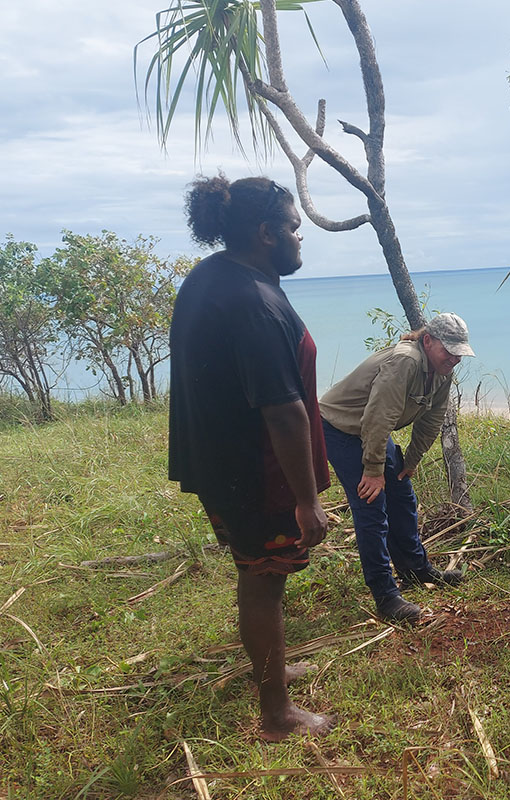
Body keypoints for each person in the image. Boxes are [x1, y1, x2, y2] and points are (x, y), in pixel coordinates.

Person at [168, 174, 333, 741]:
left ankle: (274, 672)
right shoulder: (254, 303)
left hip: (223, 465)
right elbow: (283, 411)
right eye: (293, 226)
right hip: (256, 475)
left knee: (255, 575)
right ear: (265, 233)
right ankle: (277, 716)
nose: (299, 236)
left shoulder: (214, 278)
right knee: (263, 581)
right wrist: (308, 502)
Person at [319, 314, 474, 622]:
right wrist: (373, 470)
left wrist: (411, 462)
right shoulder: (404, 361)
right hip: (339, 428)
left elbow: (431, 421)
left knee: (402, 495)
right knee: (371, 504)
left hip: (372, 429)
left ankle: (416, 570)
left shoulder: (441, 370)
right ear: (427, 341)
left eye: (459, 352)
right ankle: (385, 594)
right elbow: (378, 417)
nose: (455, 358)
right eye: (449, 350)